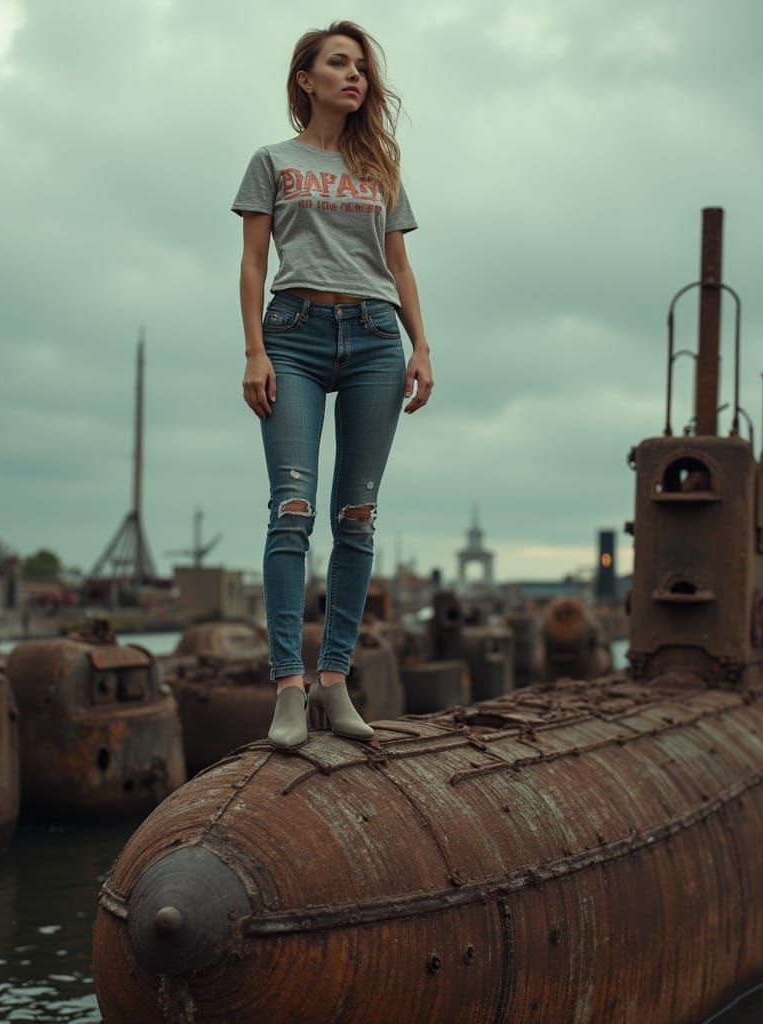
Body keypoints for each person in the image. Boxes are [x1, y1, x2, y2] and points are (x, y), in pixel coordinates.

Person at [232, 21, 433, 751]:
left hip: (377, 339)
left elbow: (399, 266)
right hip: (294, 335)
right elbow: (254, 263)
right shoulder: (272, 161)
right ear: (306, 80)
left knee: (357, 515)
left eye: (361, 68)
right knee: (292, 509)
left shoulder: (380, 164)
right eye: (339, 65)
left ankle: (335, 681)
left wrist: (422, 346)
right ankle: (288, 687)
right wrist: (256, 351)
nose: (355, 77)